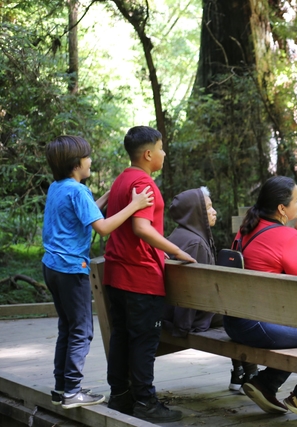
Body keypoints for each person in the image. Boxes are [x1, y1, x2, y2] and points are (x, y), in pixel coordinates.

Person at [42, 135, 153, 409]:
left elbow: (90, 208)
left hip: (51, 266)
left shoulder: (59, 187)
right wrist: (134, 206)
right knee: (81, 330)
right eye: (87, 157)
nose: (90, 160)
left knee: (67, 328)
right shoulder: (77, 191)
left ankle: (62, 388)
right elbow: (103, 227)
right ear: (76, 163)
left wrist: (113, 192)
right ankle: (72, 392)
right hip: (70, 269)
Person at [103, 126, 196, 423]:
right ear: (148, 154)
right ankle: (145, 402)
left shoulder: (122, 179)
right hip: (139, 276)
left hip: (116, 273)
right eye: (161, 147)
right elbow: (141, 229)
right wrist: (178, 251)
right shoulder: (143, 183)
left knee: (121, 336)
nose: (164, 153)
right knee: (144, 340)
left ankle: (120, 396)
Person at [223, 176, 297, 421]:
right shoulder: (288, 237)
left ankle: (266, 384)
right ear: (282, 208)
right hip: (258, 326)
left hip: (235, 322)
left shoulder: (247, 228)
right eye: (296, 198)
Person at [161, 187, 256, 391]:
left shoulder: (177, 235)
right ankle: (250, 373)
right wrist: (183, 326)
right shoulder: (196, 243)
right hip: (191, 315)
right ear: (195, 213)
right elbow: (195, 292)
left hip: (175, 310)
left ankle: (241, 373)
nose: (214, 212)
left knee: (233, 308)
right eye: (209, 208)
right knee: (241, 312)